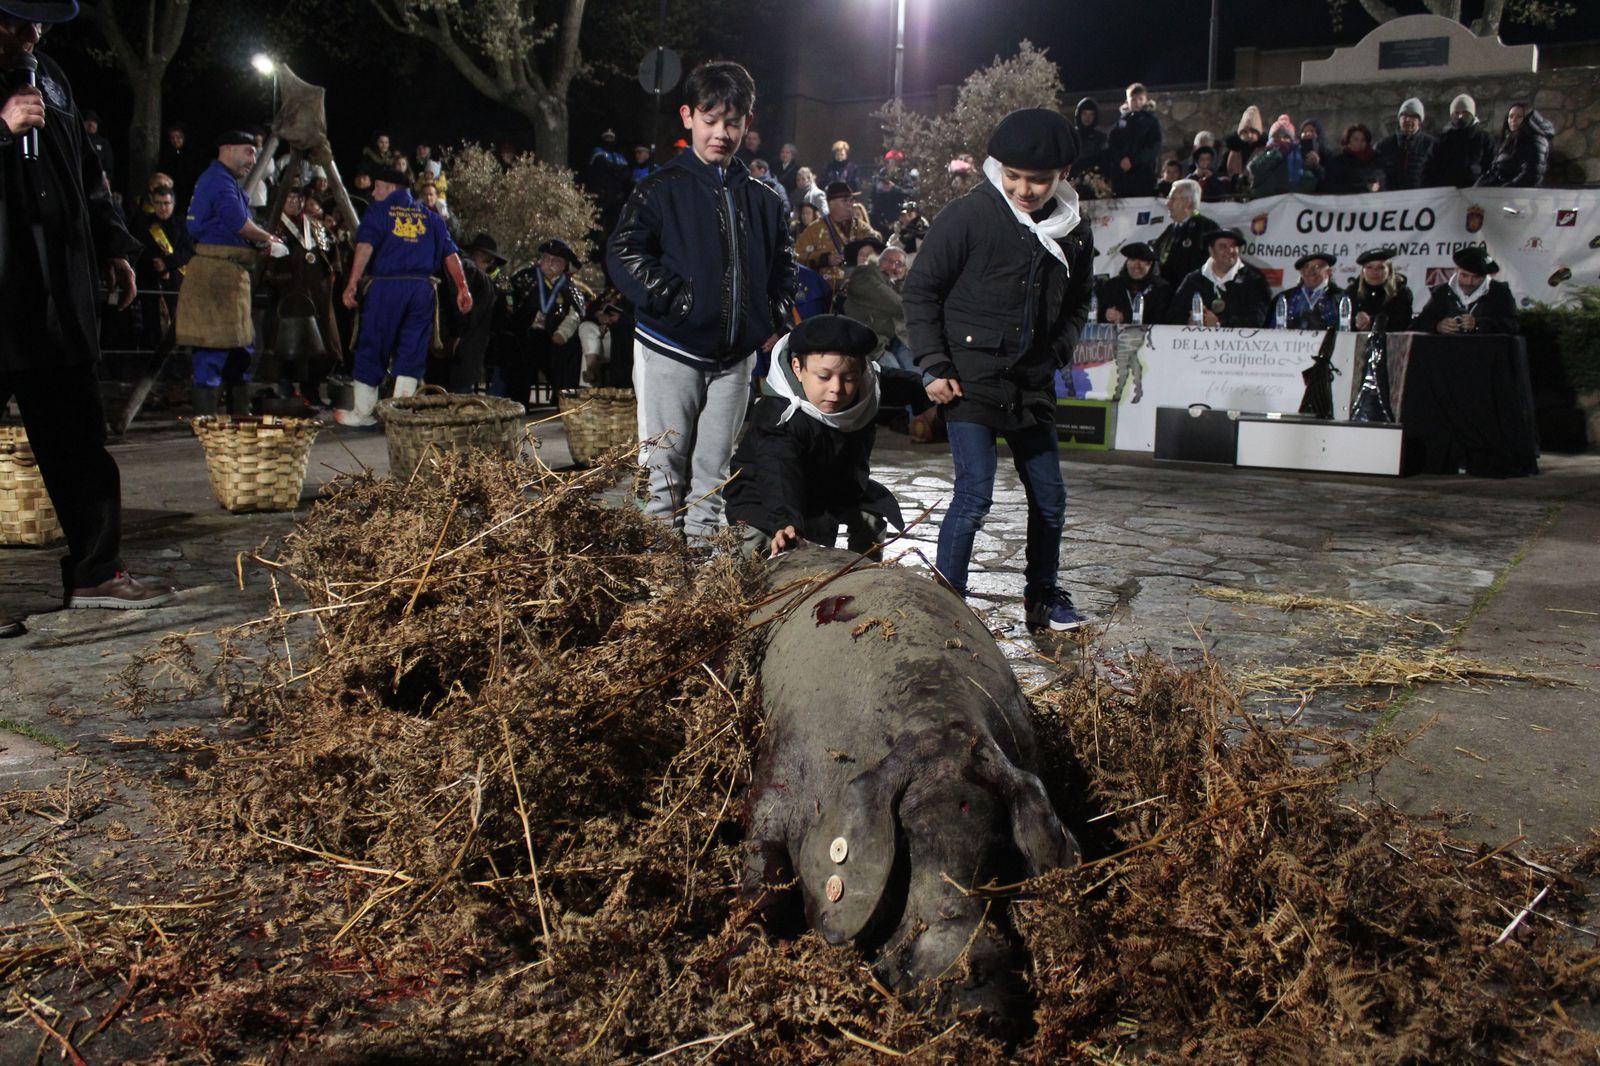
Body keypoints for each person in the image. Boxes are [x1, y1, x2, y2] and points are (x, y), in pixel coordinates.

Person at [0, 1, 173, 626]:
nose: (31, 33)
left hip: (54, 290)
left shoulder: (48, 76)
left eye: (38, 21)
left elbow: (89, 173)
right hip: (0, 283)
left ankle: (96, 570)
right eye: (15, 20)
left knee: (76, 436)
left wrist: (114, 249)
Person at [902, 107, 1094, 632]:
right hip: (970, 380)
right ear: (997, 167)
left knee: (1051, 500)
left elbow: (1079, 302)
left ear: (1063, 176)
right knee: (974, 497)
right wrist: (933, 365)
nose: (1024, 189)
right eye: (1013, 176)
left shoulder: (1074, 231)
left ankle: (1043, 598)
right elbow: (921, 290)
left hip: (1031, 384)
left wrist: (1056, 354)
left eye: (1038, 180)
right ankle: (946, 606)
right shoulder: (970, 215)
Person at [607, 60, 797, 546]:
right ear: (688, 116)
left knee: (715, 478)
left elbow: (784, 267)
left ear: (747, 124)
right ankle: (660, 588)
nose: (721, 133)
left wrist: (768, 317)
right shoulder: (660, 187)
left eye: (732, 122)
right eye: (710, 120)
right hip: (669, 350)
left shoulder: (766, 199)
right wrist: (676, 300)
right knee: (661, 477)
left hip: (734, 360)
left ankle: (701, 590)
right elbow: (623, 252)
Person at [726, 314, 917, 560]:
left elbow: (905, 384)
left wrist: (936, 384)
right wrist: (785, 521)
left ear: (862, 371)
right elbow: (778, 470)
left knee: (871, 519)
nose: (836, 388)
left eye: (848, 378)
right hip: (766, 492)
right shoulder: (779, 415)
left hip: (834, 486)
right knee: (754, 541)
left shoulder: (868, 388)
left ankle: (863, 577)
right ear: (798, 369)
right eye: (824, 377)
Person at [335, 165, 472, 425]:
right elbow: (451, 255)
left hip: (387, 287)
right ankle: (401, 413)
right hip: (422, 290)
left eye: (377, 187)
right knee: (413, 348)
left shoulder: (379, 211)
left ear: (390, 188)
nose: (373, 192)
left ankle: (363, 412)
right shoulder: (431, 217)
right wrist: (462, 288)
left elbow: (365, 246)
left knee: (373, 342)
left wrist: (352, 283)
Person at [178, 130, 287, 415]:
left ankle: (239, 412)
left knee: (241, 347)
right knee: (212, 346)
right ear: (227, 149)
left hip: (232, 274)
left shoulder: (228, 182)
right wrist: (269, 239)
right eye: (248, 151)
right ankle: (206, 419)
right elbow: (239, 224)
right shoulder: (218, 181)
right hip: (216, 274)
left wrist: (258, 241)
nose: (253, 159)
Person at [262, 186, 341, 405]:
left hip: (315, 294)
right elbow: (265, 262)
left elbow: (331, 251)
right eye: (288, 198)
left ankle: (312, 391)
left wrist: (332, 273)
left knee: (318, 344)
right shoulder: (272, 226)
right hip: (286, 294)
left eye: (297, 198)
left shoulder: (313, 225)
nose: (293, 202)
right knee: (286, 343)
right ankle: (285, 391)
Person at [504, 238, 588, 403]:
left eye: (556, 261)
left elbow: (575, 314)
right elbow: (509, 300)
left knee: (569, 348)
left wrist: (562, 333)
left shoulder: (570, 288)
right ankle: (518, 402)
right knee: (519, 349)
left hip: (554, 337)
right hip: (526, 334)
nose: (549, 263)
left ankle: (563, 398)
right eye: (546, 258)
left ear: (565, 266)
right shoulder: (525, 279)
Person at [1166, 228, 1271, 329]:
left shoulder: (1254, 280)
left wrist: (1219, 323)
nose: (1229, 250)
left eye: (1233, 246)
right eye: (1223, 246)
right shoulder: (1193, 280)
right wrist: (1188, 321)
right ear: (1211, 251)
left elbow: (1258, 319)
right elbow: (1173, 316)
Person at [794, 180, 878, 305]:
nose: (850, 204)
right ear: (831, 204)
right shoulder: (814, 229)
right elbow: (796, 256)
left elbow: (877, 241)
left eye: (851, 200)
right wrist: (824, 258)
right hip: (825, 295)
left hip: (858, 292)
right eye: (845, 201)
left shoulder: (859, 226)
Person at [134, 183, 192, 348]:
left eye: (166, 203)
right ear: (153, 204)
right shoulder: (145, 225)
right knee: (152, 327)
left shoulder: (182, 226)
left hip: (177, 284)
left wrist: (167, 264)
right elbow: (141, 251)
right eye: (158, 203)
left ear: (173, 204)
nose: (163, 207)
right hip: (152, 284)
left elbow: (188, 252)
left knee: (178, 328)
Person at [1413, 246, 1519, 335]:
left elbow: (1512, 326)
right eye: (1464, 275)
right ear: (1456, 270)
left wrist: (1478, 325)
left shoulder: (1499, 292)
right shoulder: (1441, 292)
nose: (1469, 282)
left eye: (1476, 277)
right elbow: (1418, 325)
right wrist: (1437, 326)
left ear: (1485, 276)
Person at [1152, 178, 1217, 294]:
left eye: (1172, 199)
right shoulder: (1171, 229)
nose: (1167, 203)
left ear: (1187, 202)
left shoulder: (1206, 228)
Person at [1477, 102, 1554, 188]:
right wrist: (1480, 185)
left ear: (1528, 119)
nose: (1514, 119)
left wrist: (1506, 189)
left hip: (1521, 196)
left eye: (1519, 116)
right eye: (1511, 116)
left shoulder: (1536, 141)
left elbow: (1532, 174)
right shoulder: (1509, 140)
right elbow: (1496, 169)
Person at [1425, 95, 1495, 188]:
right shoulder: (1442, 140)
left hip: (1475, 194)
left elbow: (1490, 167)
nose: (1460, 116)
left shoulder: (1484, 139)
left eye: (1465, 112)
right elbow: (1429, 168)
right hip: (1447, 194)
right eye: (1456, 113)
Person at [1106, 82, 1162, 198]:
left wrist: (1134, 160)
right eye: (1133, 100)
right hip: (1123, 179)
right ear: (1128, 101)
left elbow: (1154, 147)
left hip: (1143, 177)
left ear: (1146, 100)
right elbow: (1112, 143)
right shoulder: (1121, 122)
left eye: (1140, 99)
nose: (1137, 103)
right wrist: (1120, 159)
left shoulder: (1151, 122)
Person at [1097, 241, 1171, 326]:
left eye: (1142, 260)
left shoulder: (1162, 289)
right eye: (1133, 260)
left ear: (1150, 264)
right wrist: (1107, 316)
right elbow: (1095, 315)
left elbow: (1162, 320)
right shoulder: (1112, 285)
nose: (1136, 265)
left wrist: (1125, 318)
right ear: (1127, 262)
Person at [1248, 114, 1321, 197]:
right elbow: (1255, 170)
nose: (1281, 140)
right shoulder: (1264, 155)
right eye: (1276, 136)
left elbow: (1309, 182)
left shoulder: (1298, 159)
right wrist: (1277, 153)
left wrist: (1315, 166)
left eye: (1286, 137)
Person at [1345, 247, 1414, 332]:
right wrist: (1356, 322)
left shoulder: (1401, 292)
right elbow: (1343, 321)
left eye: (1381, 267)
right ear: (1363, 271)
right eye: (1369, 267)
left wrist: (1372, 322)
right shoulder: (1352, 291)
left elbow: (1402, 323)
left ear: (1389, 270)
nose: (1375, 271)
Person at [1376, 98, 1435, 191]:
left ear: (1419, 121)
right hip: (1391, 200)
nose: (1408, 120)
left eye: (1413, 116)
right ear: (1399, 118)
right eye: (1405, 116)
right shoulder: (1383, 145)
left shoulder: (1431, 145)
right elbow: (1374, 172)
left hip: (1422, 200)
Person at [1272, 252, 1340, 329]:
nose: (1311, 271)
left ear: (1328, 272)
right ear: (1301, 272)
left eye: (1317, 267)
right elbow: (1270, 330)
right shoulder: (1285, 298)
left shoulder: (1340, 298)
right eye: (1306, 267)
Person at [1321, 123, 1386, 195]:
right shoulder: (1337, 162)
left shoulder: (1376, 159)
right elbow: (1332, 186)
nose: (1359, 143)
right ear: (1348, 141)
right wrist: (1365, 188)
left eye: (1363, 140)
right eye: (1356, 140)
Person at [1223, 105, 1264, 193]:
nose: (1249, 135)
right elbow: (1223, 173)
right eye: (1245, 132)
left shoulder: (1263, 152)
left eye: (1253, 131)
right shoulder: (1232, 151)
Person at [1070, 97, 1105, 176]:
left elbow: (1103, 162)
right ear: (1079, 115)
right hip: (1073, 181)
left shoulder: (1100, 138)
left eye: (1091, 114)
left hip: (1094, 180)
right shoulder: (1071, 136)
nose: (1087, 117)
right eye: (1084, 114)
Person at [81, 108, 112, 184]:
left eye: (94, 121)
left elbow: (109, 164)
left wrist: (108, 179)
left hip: (98, 182)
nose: (91, 124)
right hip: (80, 179)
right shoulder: (77, 140)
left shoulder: (104, 143)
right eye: (88, 120)